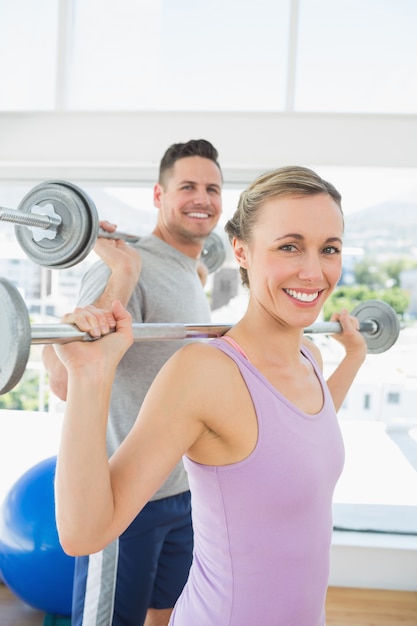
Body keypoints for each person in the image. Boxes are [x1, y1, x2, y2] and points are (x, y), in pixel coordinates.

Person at [53, 165, 368, 626]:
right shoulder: (204, 372)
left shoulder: (308, 357)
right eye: (289, 246)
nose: (313, 270)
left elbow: (298, 438)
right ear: (241, 250)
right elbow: (84, 533)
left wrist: (354, 359)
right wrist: (89, 377)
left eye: (329, 249)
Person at [42, 139, 223, 626]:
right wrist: (123, 270)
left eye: (212, 188)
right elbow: (64, 379)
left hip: (183, 491)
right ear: (159, 196)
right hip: (124, 496)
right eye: (187, 186)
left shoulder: (193, 271)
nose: (202, 198)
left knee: (165, 616)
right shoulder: (125, 263)